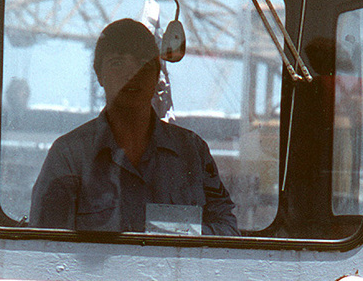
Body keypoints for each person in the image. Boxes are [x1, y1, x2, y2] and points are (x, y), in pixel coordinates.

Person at [28, 19, 238, 235]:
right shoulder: (68, 155)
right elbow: (44, 248)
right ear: (99, 75)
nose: (131, 74)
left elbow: (228, 230)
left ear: (156, 74)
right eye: (117, 63)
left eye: (141, 63)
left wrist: (178, 235)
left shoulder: (192, 151)